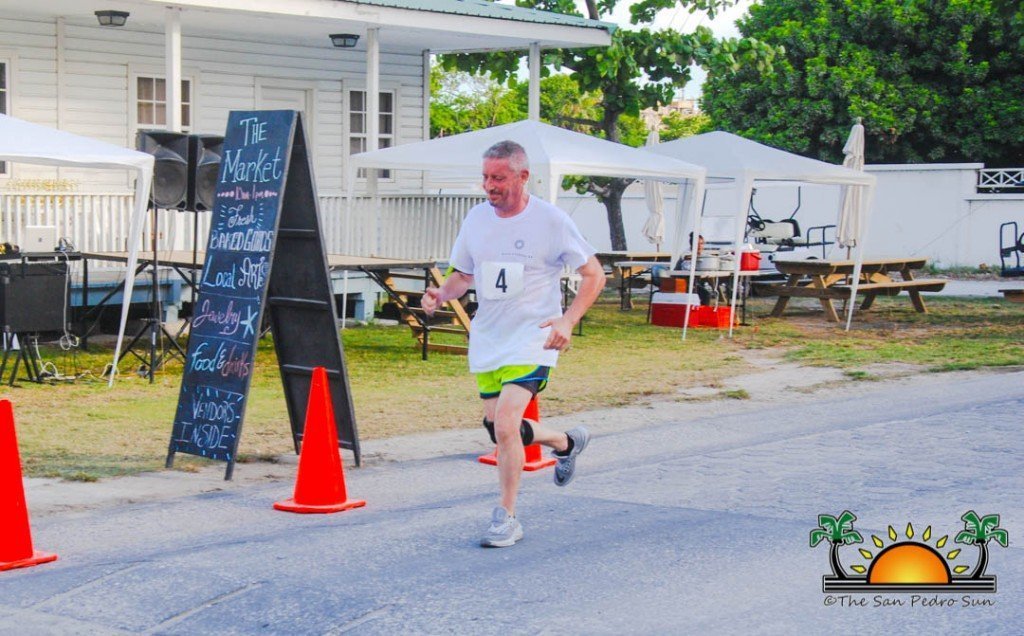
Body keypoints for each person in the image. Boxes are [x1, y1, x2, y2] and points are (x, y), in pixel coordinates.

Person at [421, 140, 605, 548]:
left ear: (523, 177)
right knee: (499, 429)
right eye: (486, 177)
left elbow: (594, 275)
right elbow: (462, 276)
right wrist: (440, 294)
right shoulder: (476, 219)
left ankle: (506, 518)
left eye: (499, 178)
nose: (490, 185)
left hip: (533, 337)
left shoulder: (551, 220)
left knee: (506, 425)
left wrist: (568, 320)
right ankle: (565, 442)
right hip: (489, 337)